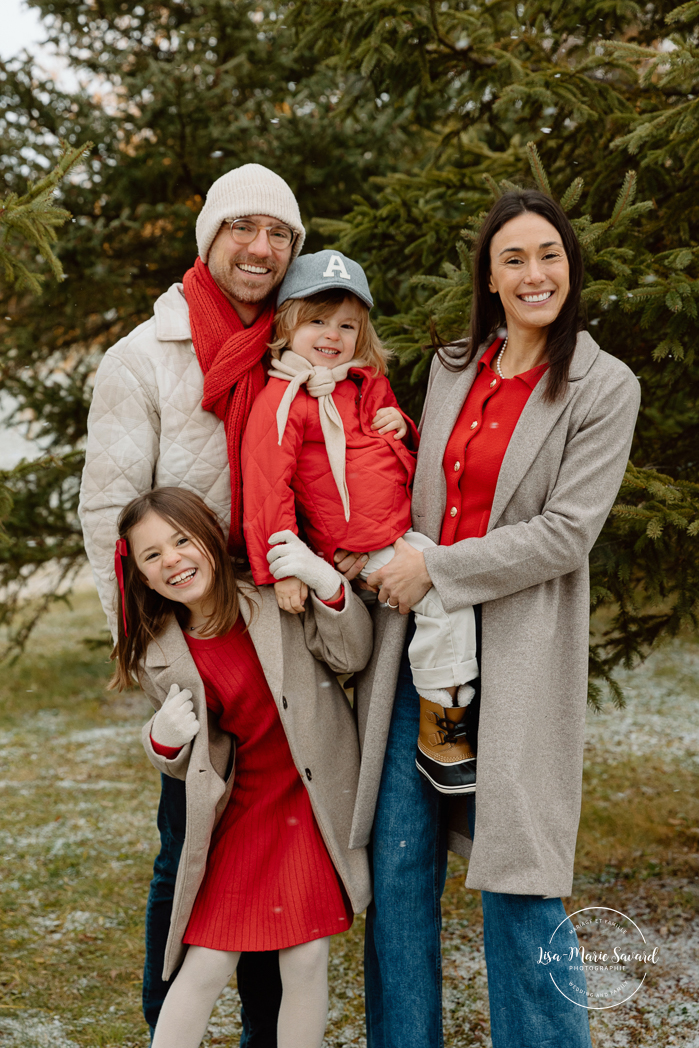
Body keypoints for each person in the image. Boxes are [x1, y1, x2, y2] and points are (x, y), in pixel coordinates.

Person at [342, 189, 641, 1047]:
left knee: (519, 879)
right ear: (489, 275)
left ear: (570, 267)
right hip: (416, 654)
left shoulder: (601, 385)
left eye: (547, 254)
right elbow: (408, 478)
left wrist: (432, 567)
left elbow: (564, 535)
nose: (532, 273)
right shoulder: (449, 365)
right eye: (512, 258)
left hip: (512, 655)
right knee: (399, 873)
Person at [78, 163, 305, 1041]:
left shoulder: (299, 349)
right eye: (243, 228)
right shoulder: (143, 358)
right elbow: (110, 518)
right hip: (196, 651)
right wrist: (154, 667)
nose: (260, 248)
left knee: (281, 851)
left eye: (278, 234)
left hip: (278, 641)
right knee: (190, 853)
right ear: (209, 239)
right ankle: (163, 1023)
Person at [109, 487, 373, 1048]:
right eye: (152, 555)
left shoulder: (276, 597)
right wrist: (161, 742)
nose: (172, 559)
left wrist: (327, 585)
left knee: (305, 956)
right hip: (244, 809)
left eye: (181, 540)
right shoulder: (163, 650)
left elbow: (351, 657)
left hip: (310, 798)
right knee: (206, 960)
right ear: (143, 577)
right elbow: (196, 761)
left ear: (208, 535)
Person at [242, 250, 480, 794]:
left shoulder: (363, 385)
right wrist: (282, 569)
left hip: (391, 529)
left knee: (451, 596)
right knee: (444, 599)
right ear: (286, 323)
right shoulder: (283, 401)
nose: (332, 335)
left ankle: (448, 716)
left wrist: (404, 425)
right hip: (356, 542)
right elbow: (265, 486)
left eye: (347, 324)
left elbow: (388, 462)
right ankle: (443, 732)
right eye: (318, 320)